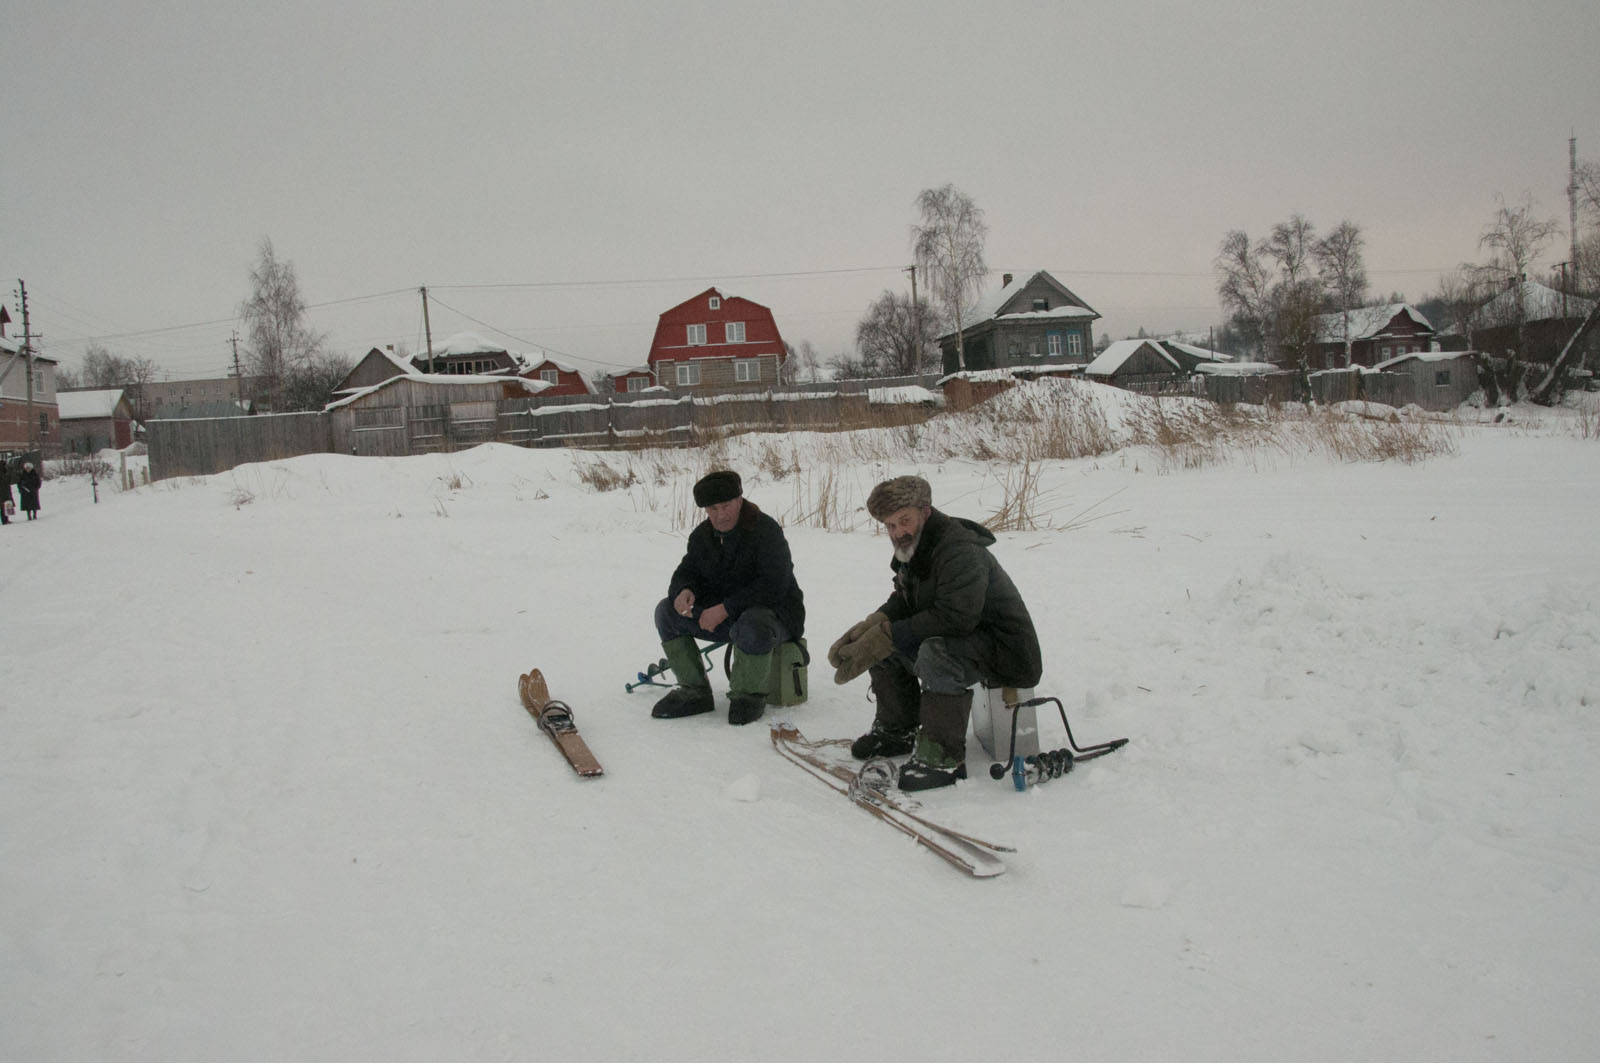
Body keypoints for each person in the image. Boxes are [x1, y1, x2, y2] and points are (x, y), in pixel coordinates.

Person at [828, 475, 1042, 791]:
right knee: (882, 644)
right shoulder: (915, 547)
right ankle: (896, 731)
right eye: (890, 526)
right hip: (968, 639)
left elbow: (957, 617)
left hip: (1006, 649)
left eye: (904, 521)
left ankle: (943, 758)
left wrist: (886, 634)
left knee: (932, 652)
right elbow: (906, 599)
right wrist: (873, 625)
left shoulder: (959, 550)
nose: (898, 532)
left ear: (925, 512)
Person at [651, 469, 805, 726]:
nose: (721, 515)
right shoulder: (702, 536)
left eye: (726, 506)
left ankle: (748, 696)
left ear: (739, 500)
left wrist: (725, 608)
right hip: (728, 618)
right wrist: (683, 591)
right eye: (713, 509)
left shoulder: (766, 530)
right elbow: (686, 571)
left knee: (752, 623)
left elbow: (773, 585)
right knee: (666, 612)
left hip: (775, 618)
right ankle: (694, 691)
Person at [0, 459, 13, 525]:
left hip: (4, 491)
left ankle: (5, 519)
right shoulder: (3, 473)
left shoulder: (4, 473)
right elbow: (7, 480)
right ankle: (4, 520)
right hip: (3, 492)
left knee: (5, 506)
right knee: (4, 506)